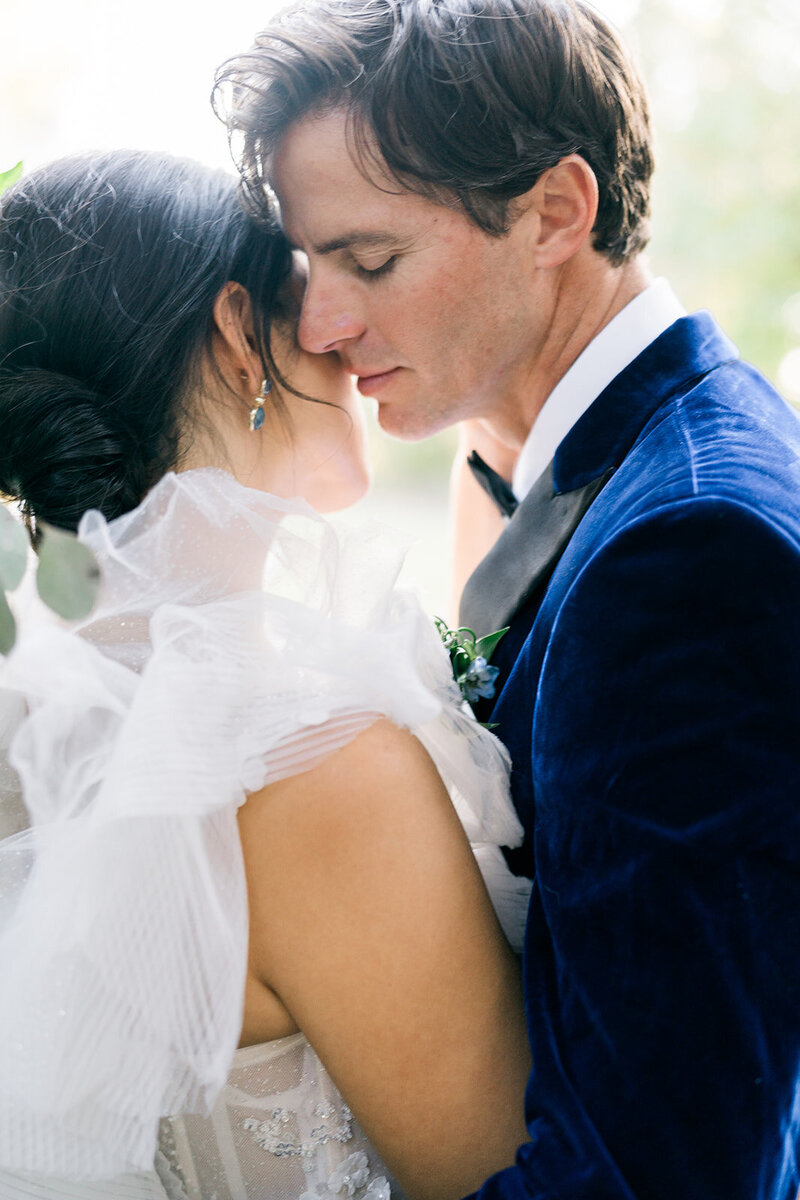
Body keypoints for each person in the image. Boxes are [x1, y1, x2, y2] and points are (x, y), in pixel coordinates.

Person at [215, 1, 800, 1197]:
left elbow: (662, 1170)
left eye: (371, 261)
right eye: (311, 266)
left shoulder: (684, 556)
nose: (320, 325)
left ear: (553, 213)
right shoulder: (563, 466)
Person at [0, 150, 533, 1200]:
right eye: (308, 287)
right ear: (240, 336)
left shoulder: (36, 731)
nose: (342, 330)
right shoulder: (320, 775)